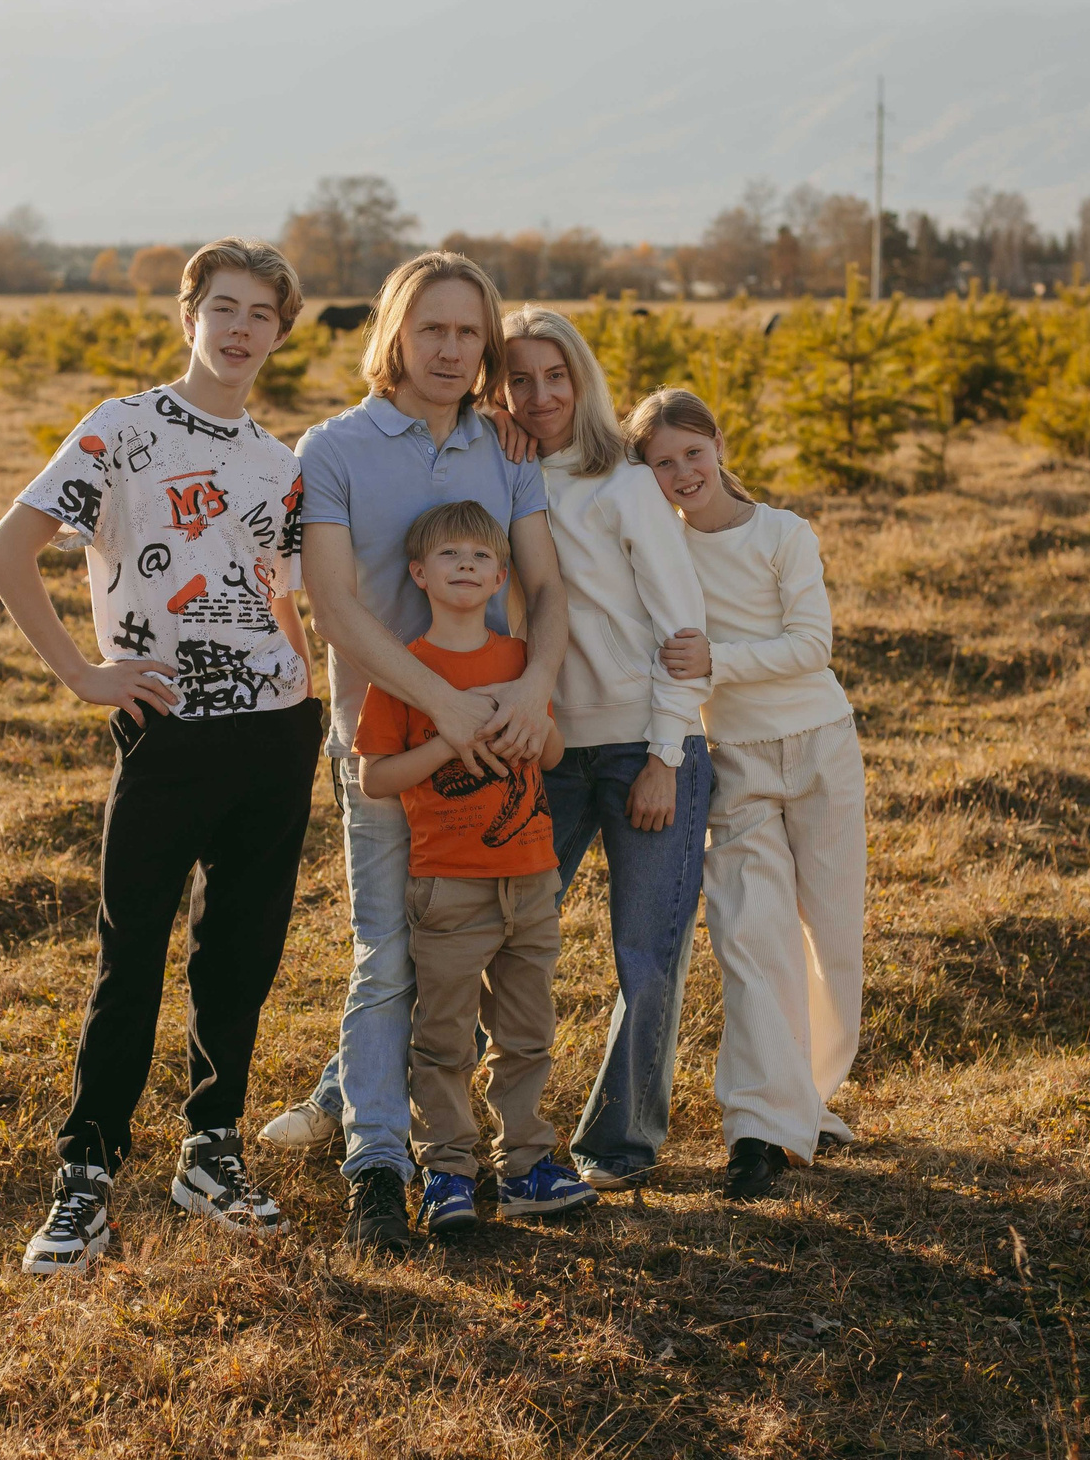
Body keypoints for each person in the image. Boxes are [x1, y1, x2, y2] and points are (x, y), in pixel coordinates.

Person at [0, 237, 325, 1275]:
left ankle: (210, 1151)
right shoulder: (121, 431)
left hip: (276, 732)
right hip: (167, 733)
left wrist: (304, 691)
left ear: (279, 332)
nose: (239, 328)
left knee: (241, 958)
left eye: (261, 314)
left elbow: (286, 598)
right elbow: (5, 552)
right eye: (222, 307)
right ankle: (84, 1177)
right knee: (128, 960)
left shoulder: (280, 462)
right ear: (189, 316)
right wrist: (84, 675)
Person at [255, 250, 570, 1252]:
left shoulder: (502, 449)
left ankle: (485, 1149)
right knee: (388, 961)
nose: (448, 348)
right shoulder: (335, 447)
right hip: (389, 749)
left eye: (467, 332)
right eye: (430, 328)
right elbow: (336, 604)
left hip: (501, 759)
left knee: (489, 963)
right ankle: (378, 1167)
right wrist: (444, 708)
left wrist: (528, 691)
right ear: (392, 331)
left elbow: (549, 589)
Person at [629, 387, 868, 1202]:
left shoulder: (783, 534)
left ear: (718, 444)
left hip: (820, 747)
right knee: (750, 935)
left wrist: (718, 660)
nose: (682, 472)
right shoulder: (663, 550)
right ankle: (758, 1131)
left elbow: (814, 643)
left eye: (692, 452)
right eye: (663, 463)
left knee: (831, 942)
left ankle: (811, 1099)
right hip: (730, 758)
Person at [493, 308, 712, 1191]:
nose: (540, 395)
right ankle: (380, 1095)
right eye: (520, 379)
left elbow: (680, 622)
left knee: (646, 950)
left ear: (581, 379)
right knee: (492, 931)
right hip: (545, 750)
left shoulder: (622, 483)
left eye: (557, 375)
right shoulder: (501, 471)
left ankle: (617, 1141)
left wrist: (664, 755)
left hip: (642, 748)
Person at [355, 500, 597, 1232]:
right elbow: (375, 778)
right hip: (448, 886)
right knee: (445, 1036)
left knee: (526, 1030)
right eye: (449, 555)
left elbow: (552, 755)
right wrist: (449, 734)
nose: (466, 565)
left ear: (500, 577)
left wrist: (520, 714)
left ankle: (525, 1162)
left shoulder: (522, 662)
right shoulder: (406, 670)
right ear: (419, 573)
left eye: (481, 557)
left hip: (531, 877)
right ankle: (448, 1170)